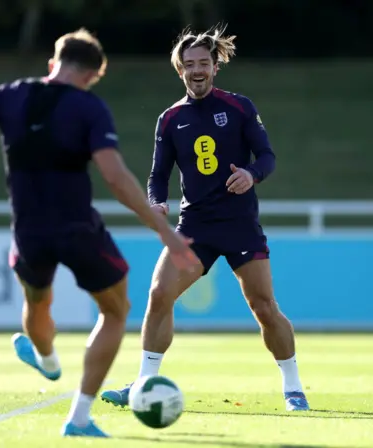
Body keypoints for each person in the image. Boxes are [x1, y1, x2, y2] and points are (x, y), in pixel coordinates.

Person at [0, 28, 201, 438]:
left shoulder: (9, 96)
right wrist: (165, 232)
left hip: (28, 231)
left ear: (52, 64)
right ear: (94, 74)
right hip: (77, 227)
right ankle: (78, 418)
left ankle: (47, 358)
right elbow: (114, 176)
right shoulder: (89, 108)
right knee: (115, 310)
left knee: (37, 302)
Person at [101, 25, 310, 412]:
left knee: (263, 305)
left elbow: (267, 157)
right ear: (179, 70)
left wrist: (251, 175)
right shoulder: (169, 119)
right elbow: (158, 175)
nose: (196, 70)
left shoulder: (240, 107)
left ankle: (293, 386)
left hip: (239, 224)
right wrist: (157, 202)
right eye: (188, 64)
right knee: (159, 295)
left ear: (215, 66)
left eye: (203, 62)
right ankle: (144, 383)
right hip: (194, 226)